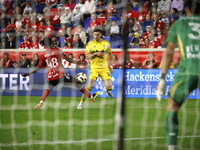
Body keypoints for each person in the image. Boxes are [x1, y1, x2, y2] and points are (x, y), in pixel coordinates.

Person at [156, 1, 200, 150]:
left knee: (172, 106)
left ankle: (172, 147)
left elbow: (169, 51)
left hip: (187, 71)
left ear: (186, 9)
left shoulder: (179, 25)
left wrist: (162, 78)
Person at [21, 37, 100, 109]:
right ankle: (91, 97)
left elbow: (38, 67)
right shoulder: (57, 50)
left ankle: (40, 103)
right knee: (77, 83)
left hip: (50, 76)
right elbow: (68, 59)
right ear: (51, 42)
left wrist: (28, 74)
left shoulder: (43, 55)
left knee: (48, 88)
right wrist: (79, 63)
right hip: (59, 74)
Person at [77, 27, 114, 109]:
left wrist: (110, 66)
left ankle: (107, 91)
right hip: (94, 68)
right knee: (90, 86)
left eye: (97, 34)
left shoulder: (106, 43)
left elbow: (110, 55)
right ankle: (81, 103)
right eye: (94, 34)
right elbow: (87, 56)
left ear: (101, 34)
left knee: (109, 87)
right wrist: (95, 54)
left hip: (104, 68)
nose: (96, 36)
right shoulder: (90, 44)